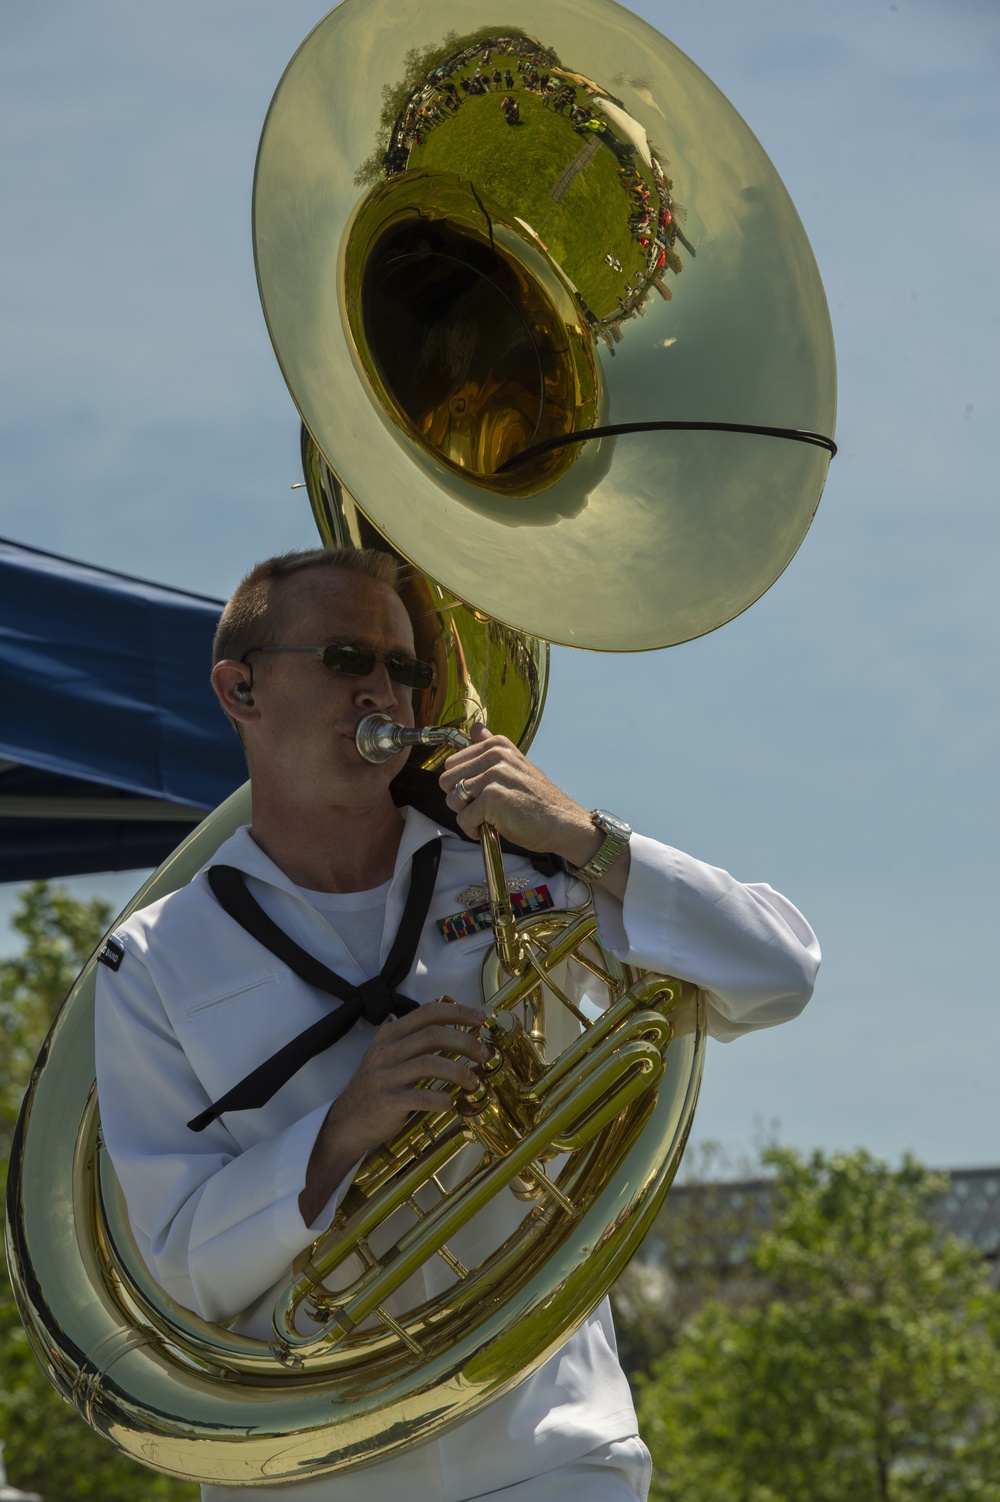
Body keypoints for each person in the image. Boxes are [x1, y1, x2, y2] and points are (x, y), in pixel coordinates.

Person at [95, 547, 820, 1502]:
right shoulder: (152, 958)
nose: (385, 693)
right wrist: (341, 1130)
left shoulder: (524, 873)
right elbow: (182, 1270)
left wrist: (583, 836)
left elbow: (780, 971)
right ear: (241, 690)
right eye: (348, 658)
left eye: (404, 668)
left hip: (551, 1450)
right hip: (311, 1475)